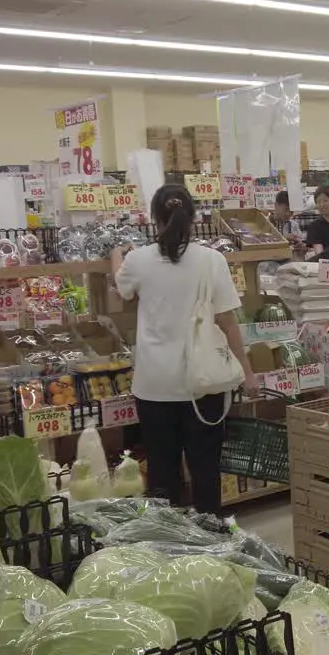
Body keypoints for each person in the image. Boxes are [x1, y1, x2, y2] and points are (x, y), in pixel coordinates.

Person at [112, 183, 259, 514]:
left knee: (162, 470)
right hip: (203, 383)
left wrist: (115, 256)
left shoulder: (137, 260)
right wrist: (248, 373)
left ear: (154, 218)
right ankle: (209, 538)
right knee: (205, 466)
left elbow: (121, 289)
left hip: (154, 385)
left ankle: (168, 542)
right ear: (194, 217)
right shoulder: (212, 260)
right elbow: (227, 321)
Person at [302, 185, 329, 261]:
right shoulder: (314, 226)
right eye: (318, 202)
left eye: (325, 201)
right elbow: (320, 255)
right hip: (327, 266)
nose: (322, 205)